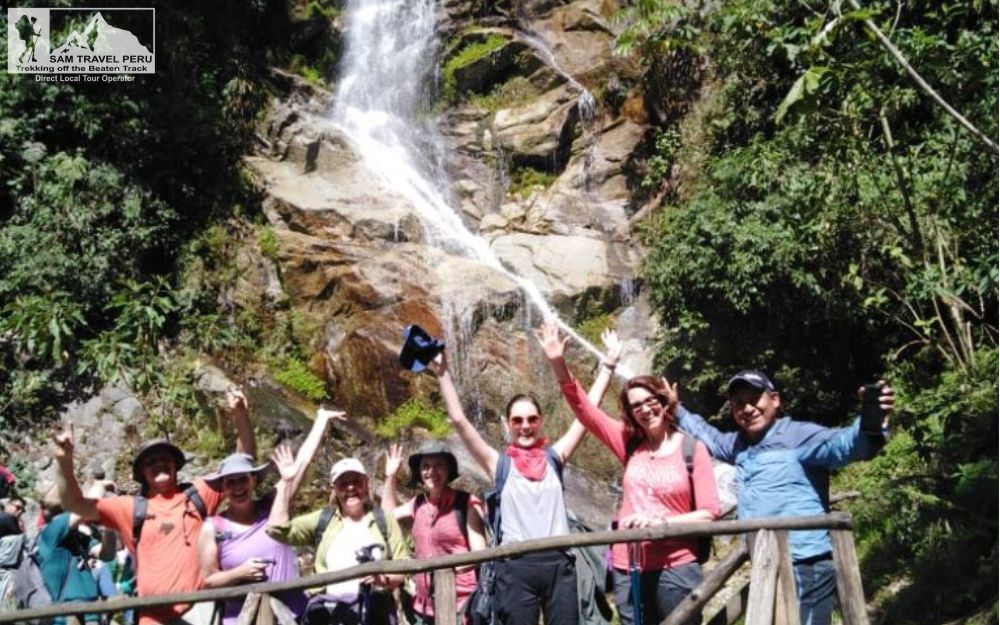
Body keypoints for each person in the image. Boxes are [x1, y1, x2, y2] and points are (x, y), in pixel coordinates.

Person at [426, 322, 619, 625]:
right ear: (507, 424)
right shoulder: (499, 464)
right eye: (518, 420)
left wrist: (607, 367)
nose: (525, 426)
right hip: (516, 568)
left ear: (540, 422)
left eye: (531, 419)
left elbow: (587, 414)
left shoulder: (555, 457)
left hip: (560, 563)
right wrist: (442, 373)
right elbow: (459, 421)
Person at [674, 370, 894, 625]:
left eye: (754, 398)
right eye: (738, 403)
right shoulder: (738, 445)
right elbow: (707, 436)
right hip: (765, 563)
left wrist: (871, 419)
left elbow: (847, 445)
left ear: (775, 399)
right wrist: (676, 410)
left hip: (807, 565)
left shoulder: (799, 436)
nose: (747, 408)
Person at [539, 320, 720, 625]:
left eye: (652, 401)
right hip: (628, 566)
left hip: (676, 566)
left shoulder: (692, 449)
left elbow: (710, 512)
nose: (646, 409)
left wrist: (660, 523)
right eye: (637, 405)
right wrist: (559, 361)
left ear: (665, 402)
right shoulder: (629, 443)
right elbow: (584, 409)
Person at [53, 388, 256, 625]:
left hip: (199, 611)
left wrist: (240, 414)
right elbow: (74, 503)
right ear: (142, 473)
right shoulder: (128, 508)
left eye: (165, 460)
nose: (159, 464)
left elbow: (242, 465)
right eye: (151, 461)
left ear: (175, 466)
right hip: (151, 618)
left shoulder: (199, 494)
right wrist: (63, 461)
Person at [197, 408, 346, 625]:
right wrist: (240, 572)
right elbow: (208, 581)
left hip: (291, 616)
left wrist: (321, 420)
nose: (238, 487)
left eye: (243, 479)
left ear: (253, 481)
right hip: (241, 619)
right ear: (222, 488)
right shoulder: (214, 527)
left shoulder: (273, 507)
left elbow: (301, 464)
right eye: (231, 482)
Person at [267, 454, 410, 625]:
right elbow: (276, 530)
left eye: (356, 481)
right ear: (334, 489)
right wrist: (285, 482)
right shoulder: (323, 520)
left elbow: (403, 567)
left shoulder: (384, 520)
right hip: (328, 614)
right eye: (343, 483)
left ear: (366, 484)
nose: (350, 487)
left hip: (375, 613)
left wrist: (382, 579)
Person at [381, 441, 486, 624]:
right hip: (423, 605)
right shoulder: (418, 504)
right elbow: (386, 517)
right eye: (426, 466)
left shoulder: (467, 503)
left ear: (448, 469)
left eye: (438, 465)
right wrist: (391, 476)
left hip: (461, 603)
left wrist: (445, 570)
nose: (432, 471)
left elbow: (479, 553)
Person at [35, 482, 117, 625]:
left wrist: (109, 528)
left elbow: (107, 555)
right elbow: (83, 509)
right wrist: (100, 485)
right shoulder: (51, 531)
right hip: (66, 616)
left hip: (90, 612)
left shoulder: (77, 536)